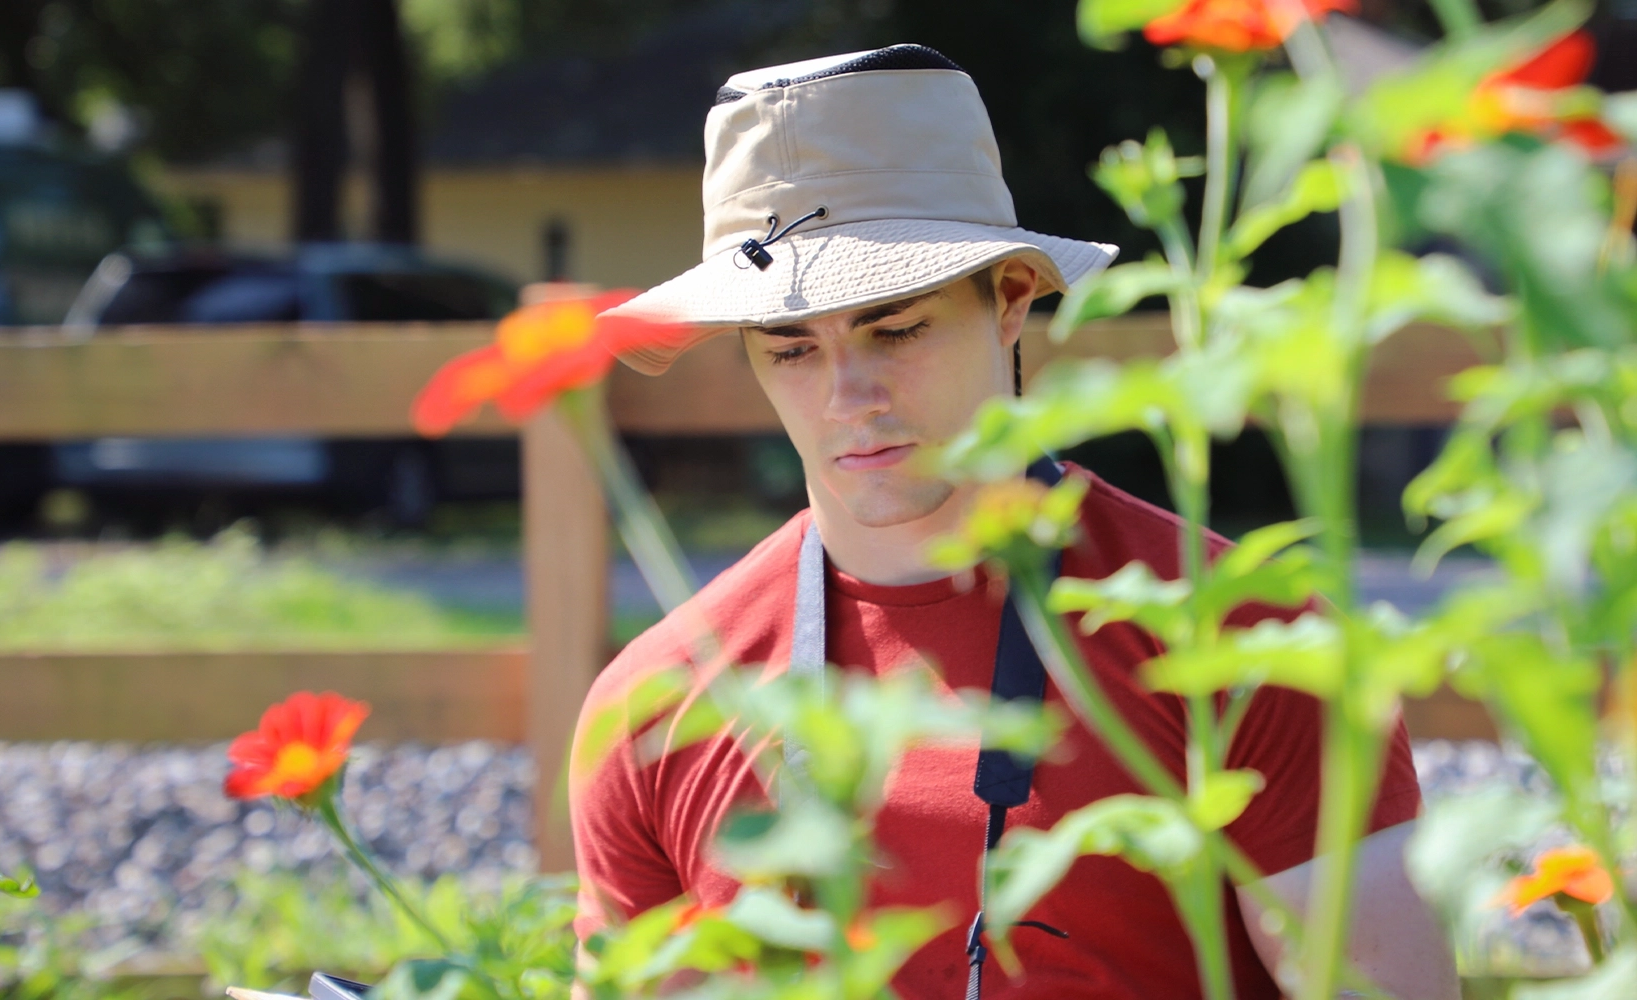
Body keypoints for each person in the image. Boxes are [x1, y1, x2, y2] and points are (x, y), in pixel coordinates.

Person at [569, 45, 1458, 999]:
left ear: (1010, 299)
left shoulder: (1242, 643)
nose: (846, 397)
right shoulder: (654, 708)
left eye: (894, 328)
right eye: (790, 350)